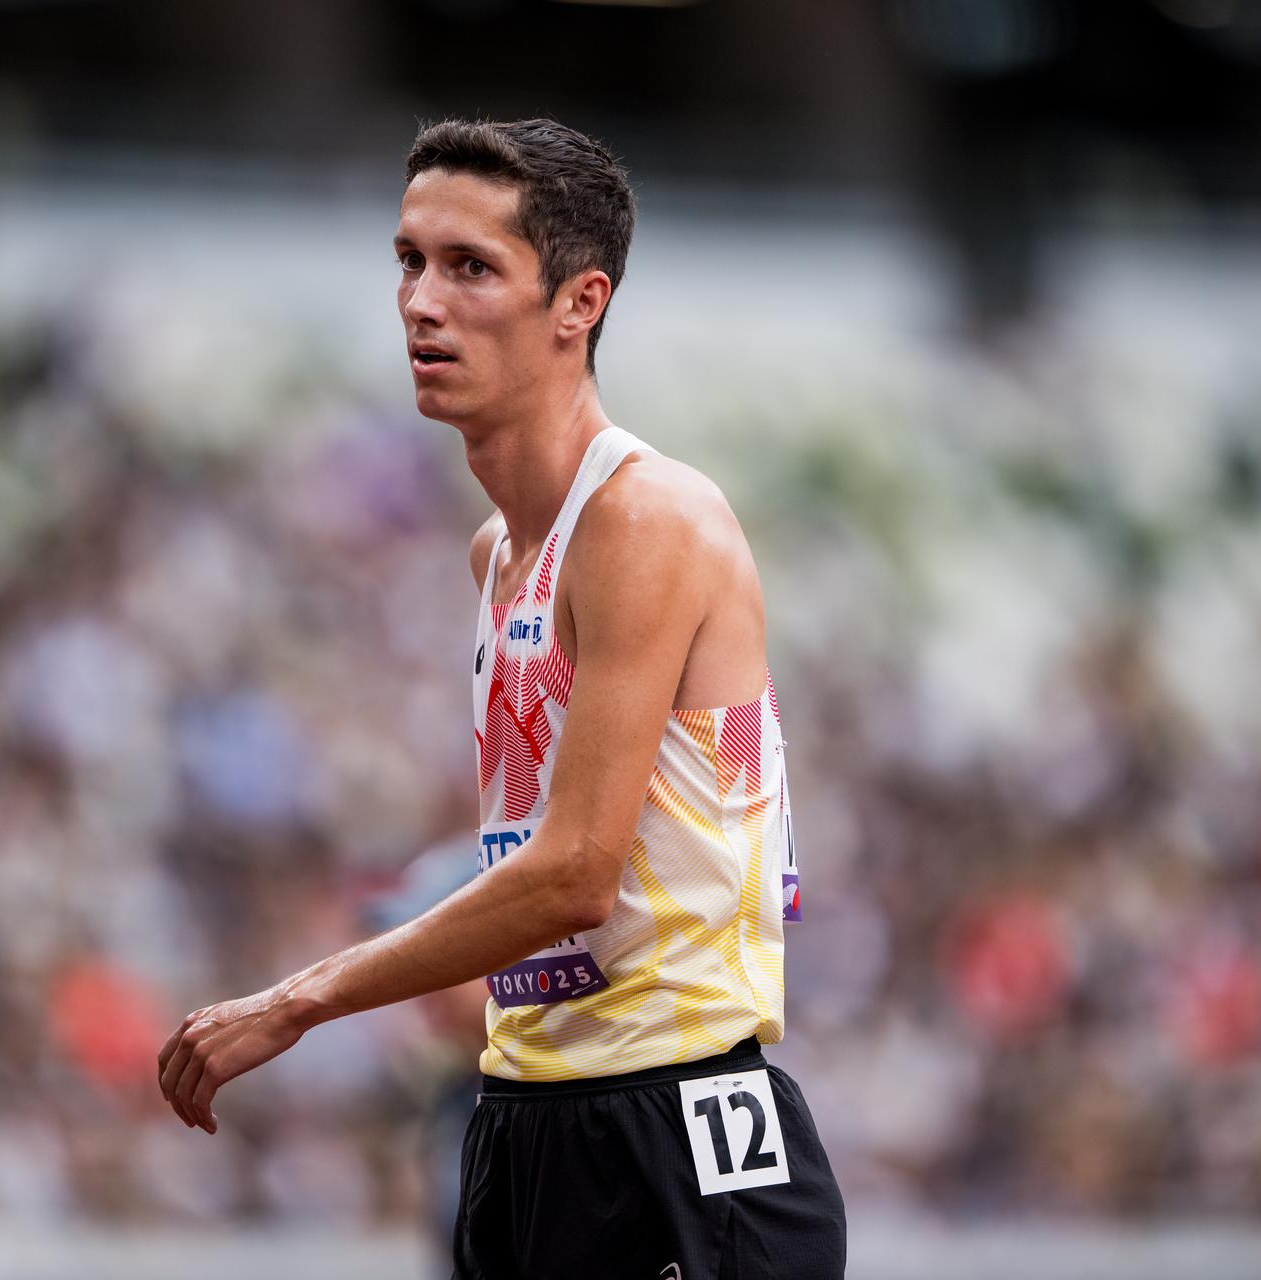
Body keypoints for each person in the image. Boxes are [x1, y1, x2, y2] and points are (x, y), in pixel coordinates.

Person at [157, 116, 847, 1278]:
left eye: (470, 267)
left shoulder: (648, 520)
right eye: (409, 262)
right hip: (524, 1121)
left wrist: (299, 999)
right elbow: (536, 854)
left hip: (678, 1130)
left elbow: (573, 873)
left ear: (580, 302)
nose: (422, 302)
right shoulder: (498, 554)